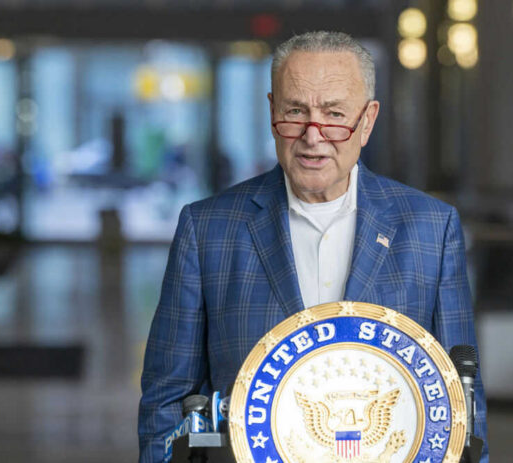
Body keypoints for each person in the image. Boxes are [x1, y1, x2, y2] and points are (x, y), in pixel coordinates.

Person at [138, 31, 488, 463]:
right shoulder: (207, 228)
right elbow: (166, 398)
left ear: (368, 120)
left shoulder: (431, 229)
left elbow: (463, 409)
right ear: (271, 113)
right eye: (295, 111)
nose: (312, 134)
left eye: (335, 114)